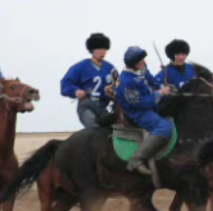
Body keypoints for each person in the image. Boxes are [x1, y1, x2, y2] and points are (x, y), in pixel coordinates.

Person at [115, 46, 172, 175]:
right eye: (140, 60)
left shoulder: (141, 67)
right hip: (138, 113)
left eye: (143, 59)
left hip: (151, 104)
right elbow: (140, 104)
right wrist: (160, 94)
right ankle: (136, 159)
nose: (143, 62)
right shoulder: (126, 81)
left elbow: (151, 79)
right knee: (165, 127)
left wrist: (163, 87)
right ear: (132, 64)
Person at [60, 33, 116, 128]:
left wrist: (112, 92)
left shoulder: (110, 68)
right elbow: (65, 84)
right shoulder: (80, 67)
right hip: (87, 105)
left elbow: (118, 86)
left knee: (112, 129)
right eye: (99, 49)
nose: (102, 52)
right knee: (94, 127)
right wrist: (76, 91)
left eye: (104, 49)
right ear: (92, 50)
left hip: (102, 106)